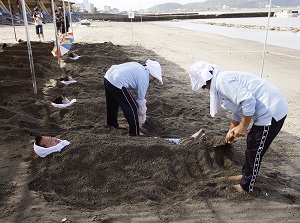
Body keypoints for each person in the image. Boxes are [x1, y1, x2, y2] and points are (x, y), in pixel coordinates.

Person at [189, 61, 288, 193]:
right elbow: (238, 108)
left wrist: (243, 126)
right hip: (266, 109)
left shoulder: (222, 82)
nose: (205, 90)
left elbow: (248, 101)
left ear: (205, 81)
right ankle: (245, 176)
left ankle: (246, 186)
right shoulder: (221, 80)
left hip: (271, 111)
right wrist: (232, 129)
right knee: (252, 143)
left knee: (255, 149)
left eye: (203, 87)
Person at [104, 59, 163, 136]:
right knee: (133, 106)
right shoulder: (144, 79)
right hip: (116, 81)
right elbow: (141, 101)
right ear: (152, 74)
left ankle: (112, 124)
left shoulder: (139, 66)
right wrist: (142, 120)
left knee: (112, 102)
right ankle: (134, 133)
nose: (153, 80)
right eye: (154, 78)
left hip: (108, 77)